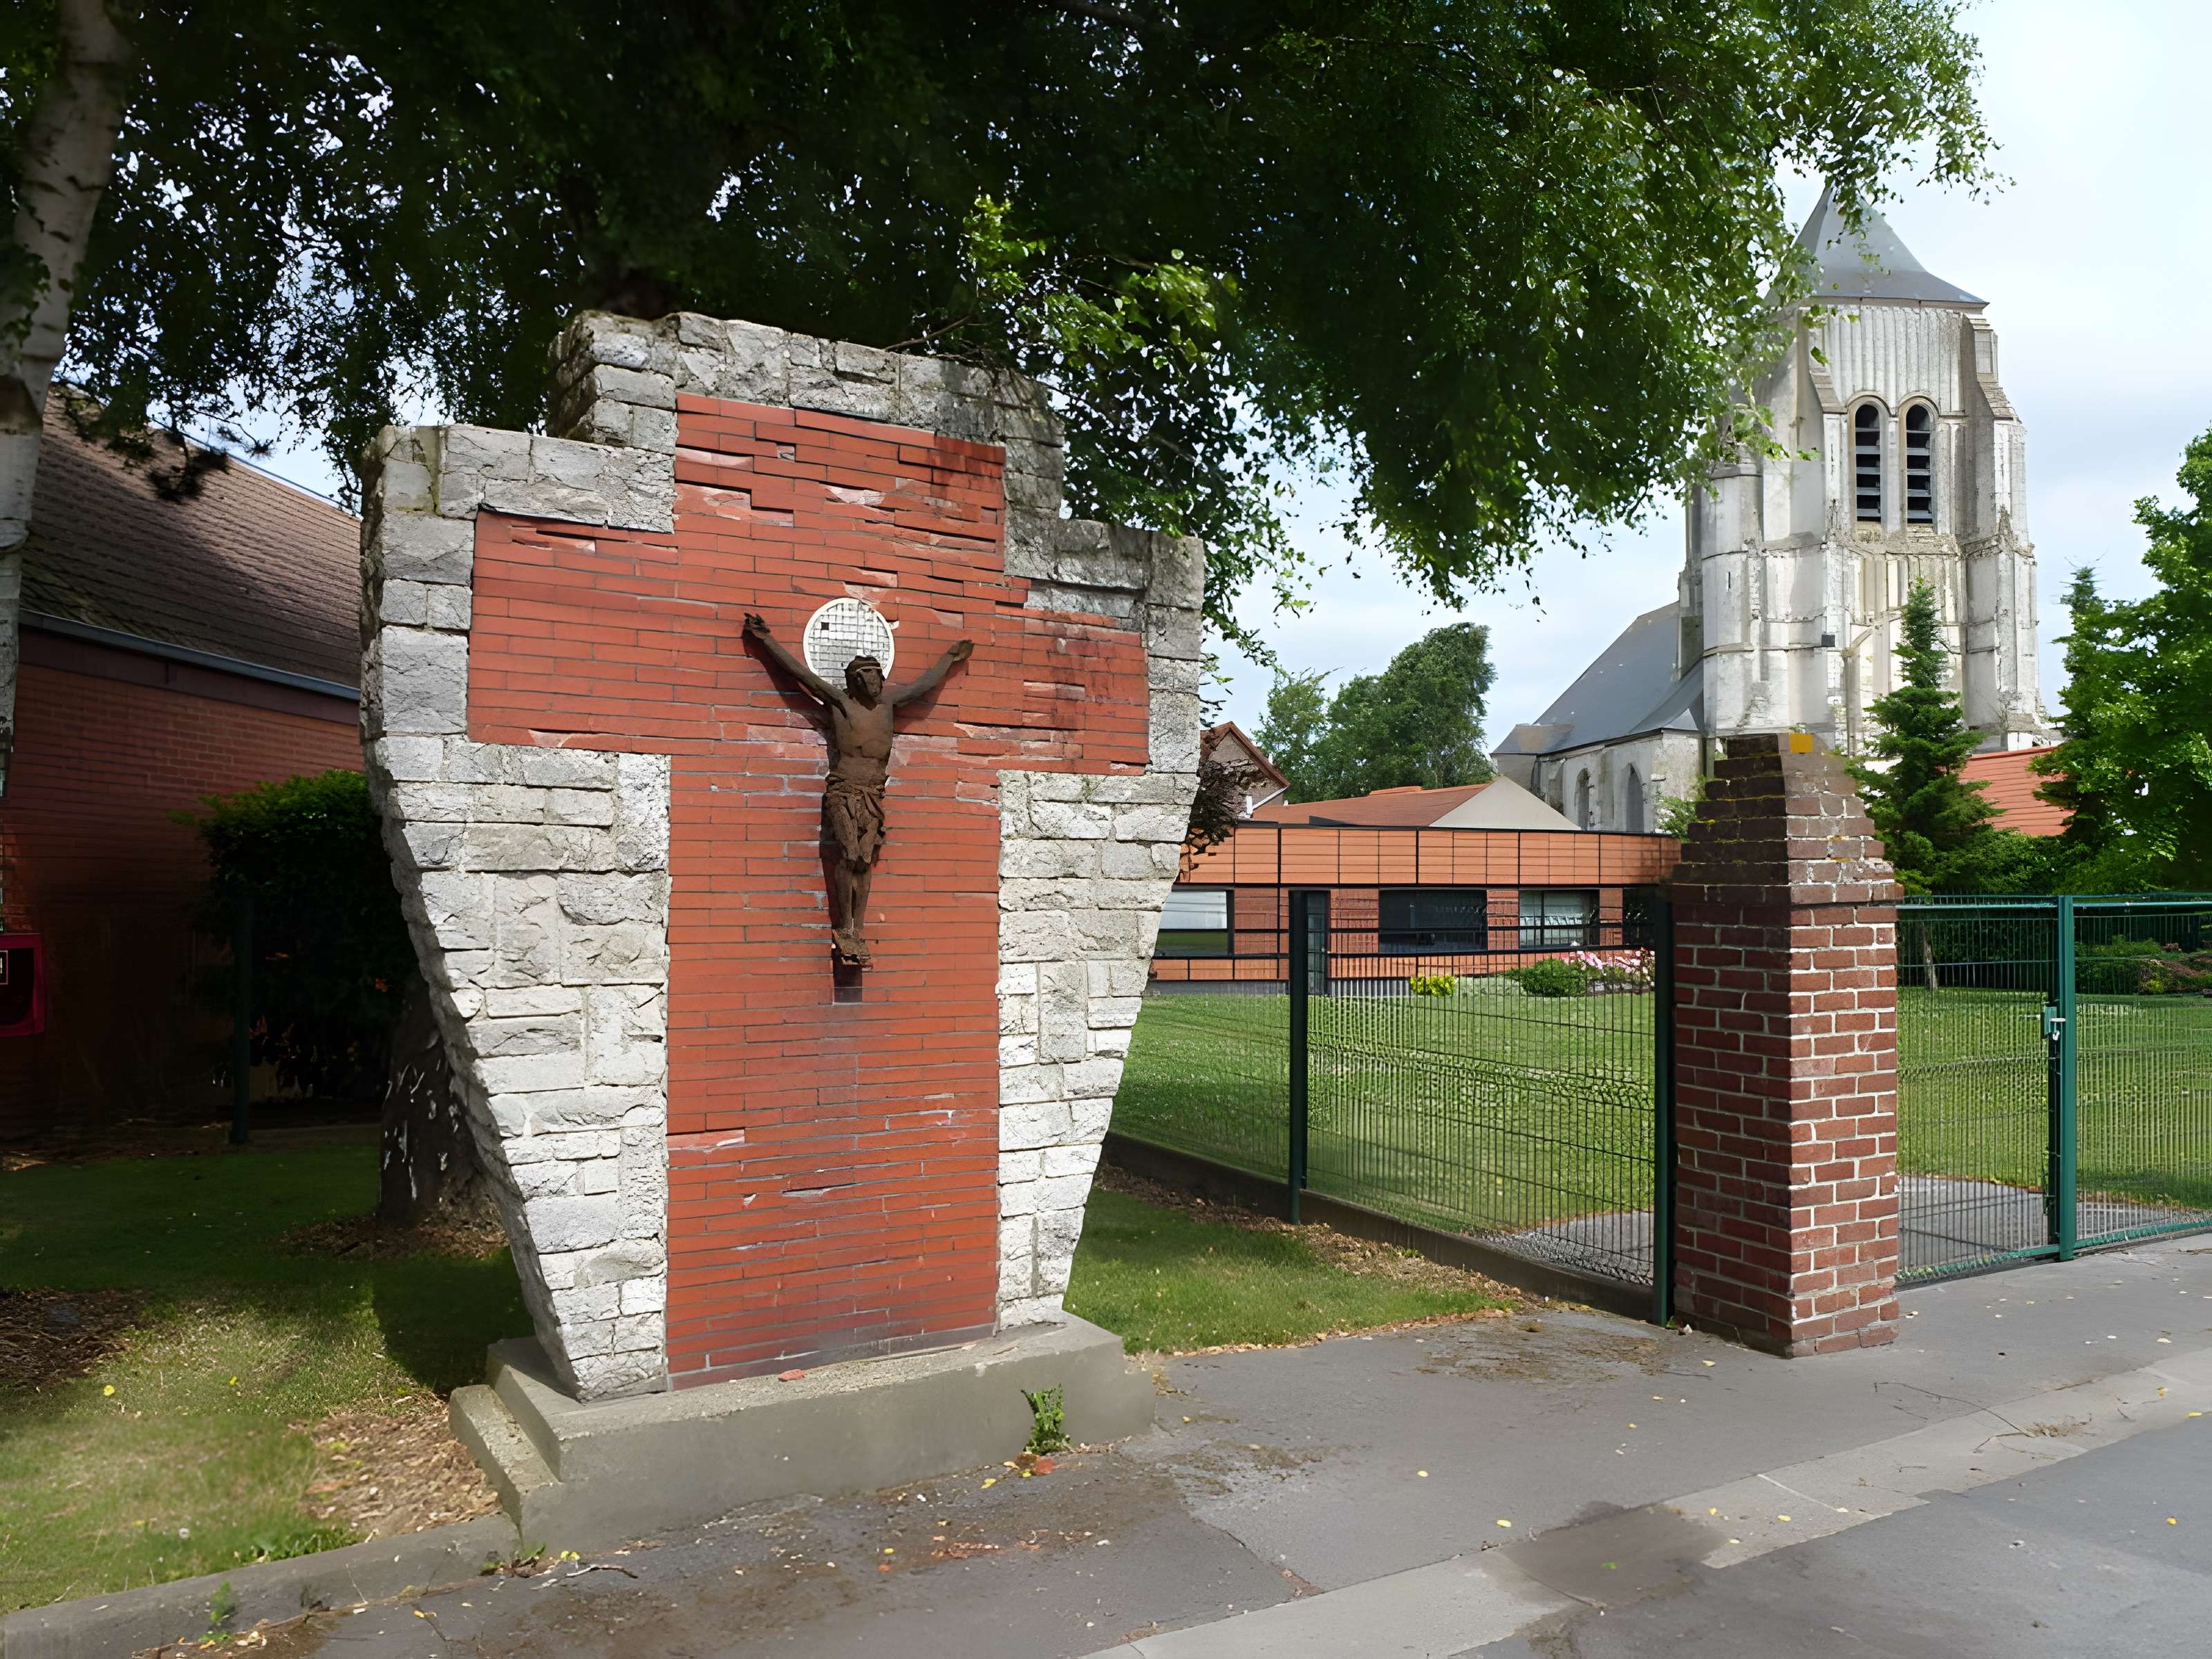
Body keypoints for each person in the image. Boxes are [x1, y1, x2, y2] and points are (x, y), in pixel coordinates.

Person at [741, 612, 973, 965]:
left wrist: (950, 658)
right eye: (864, 676)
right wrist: (766, 640)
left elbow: (924, 685)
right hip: (844, 791)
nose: (872, 682)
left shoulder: (889, 704)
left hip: (873, 794)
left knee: (864, 861)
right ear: (854, 681)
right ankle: (843, 927)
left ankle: (857, 930)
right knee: (849, 854)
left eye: (876, 675)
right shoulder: (841, 702)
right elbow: (801, 674)